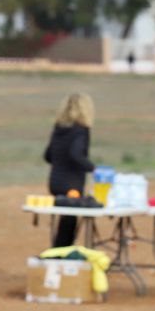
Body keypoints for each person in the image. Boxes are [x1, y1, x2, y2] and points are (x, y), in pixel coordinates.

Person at [43, 93, 95, 248]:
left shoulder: (59, 128)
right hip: (71, 184)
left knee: (66, 220)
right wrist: (94, 169)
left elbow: (48, 155)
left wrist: (61, 162)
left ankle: (59, 253)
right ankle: (61, 255)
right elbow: (76, 154)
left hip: (55, 183)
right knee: (69, 222)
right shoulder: (81, 130)